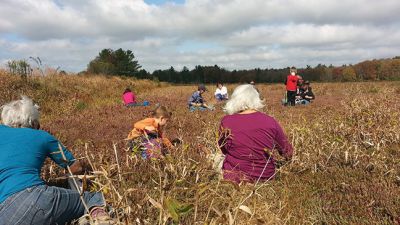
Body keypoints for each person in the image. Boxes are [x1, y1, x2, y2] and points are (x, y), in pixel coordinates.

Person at [0, 96, 112, 224]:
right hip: (35, 200)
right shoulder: (41, 136)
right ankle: (98, 218)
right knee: (93, 198)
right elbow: (75, 168)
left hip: (4, 214)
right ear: (33, 122)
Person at [218, 85, 293, 183]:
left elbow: (223, 148)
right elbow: (287, 152)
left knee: (216, 158)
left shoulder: (226, 121)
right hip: (266, 177)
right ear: (256, 100)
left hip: (234, 178)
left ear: (234, 100)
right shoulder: (270, 121)